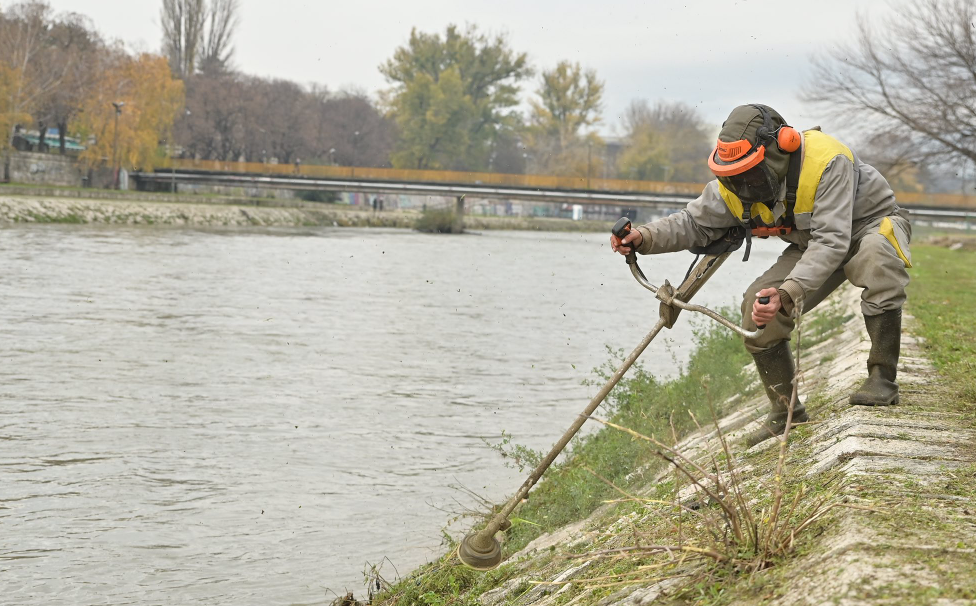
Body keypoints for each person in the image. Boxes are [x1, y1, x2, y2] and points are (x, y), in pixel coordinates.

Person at [610, 104, 912, 446]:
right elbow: (693, 222)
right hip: (811, 243)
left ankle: (882, 378)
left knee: (874, 257)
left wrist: (787, 293)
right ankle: (786, 411)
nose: (742, 185)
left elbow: (832, 241)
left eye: (749, 174)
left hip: (869, 227)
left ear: (780, 149)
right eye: (734, 176)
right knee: (757, 305)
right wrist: (644, 237)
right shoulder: (735, 183)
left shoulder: (829, 160)